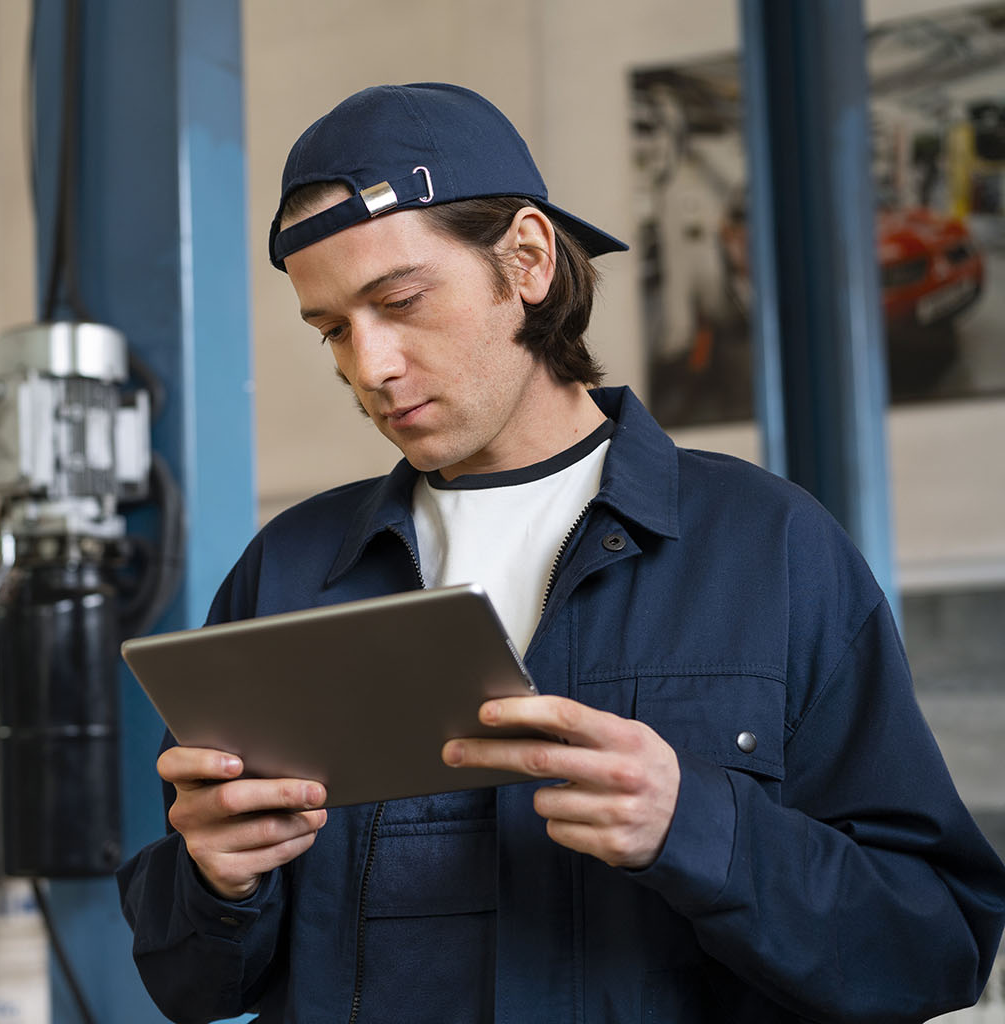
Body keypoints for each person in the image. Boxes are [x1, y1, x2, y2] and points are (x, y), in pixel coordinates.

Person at [116, 82, 1005, 1023]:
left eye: (401, 300)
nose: (367, 367)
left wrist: (692, 825)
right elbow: (187, 983)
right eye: (333, 328)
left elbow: (933, 949)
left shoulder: (770, 548)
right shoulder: (288, 576)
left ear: (529, 259)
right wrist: (215, 882)